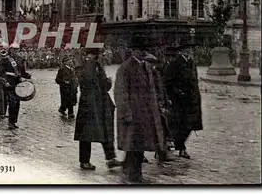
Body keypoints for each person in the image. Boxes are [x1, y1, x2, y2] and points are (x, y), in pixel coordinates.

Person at [115, 34, 164, 183]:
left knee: (139, 145)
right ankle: (135, 176)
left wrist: (157, 105)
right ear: (133, 51)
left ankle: (130, 171)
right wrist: (126, 113)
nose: (144, 53)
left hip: (146, 113)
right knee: (135, 145)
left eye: (145, 50)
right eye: (140, 50)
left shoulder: (147, 66)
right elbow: (120, 92)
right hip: (132, 113)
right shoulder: (125, 67)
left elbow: (152, 88)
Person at [74, 48, 122, 171]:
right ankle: (85, 161)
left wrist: (107, 82)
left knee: (103, 130)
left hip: (98, 103)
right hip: (91, 104)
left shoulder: (93, 65)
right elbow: (89, 83)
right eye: (100, 54)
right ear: (95, 55)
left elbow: (101, 85)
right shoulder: (89, 65)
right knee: (87, 133)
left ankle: (109, 159)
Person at [163, 37, 203, 159]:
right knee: (179, 124)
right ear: (181, 51)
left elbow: (194, 81)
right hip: (179, 100)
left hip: (192, 99)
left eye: (190, 49)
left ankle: (177, 144)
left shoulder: (192, 63)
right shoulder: (175, 63)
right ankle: (180, 147)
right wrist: (177, 92)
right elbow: (167, 82)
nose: (189, 51)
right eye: (186, 49)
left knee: (190, 124)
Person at [0, 42, 31, 130]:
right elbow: (0, 73)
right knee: (12, 102)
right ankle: (10, 123)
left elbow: (22, 72)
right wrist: (5, 81)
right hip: (9, 82)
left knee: (17, 104)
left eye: (17, 49)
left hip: (17, 83)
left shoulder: (20, 59)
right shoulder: (5, 59)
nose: (15, 51)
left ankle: (14, 121)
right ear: (10, 50)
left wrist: (27, 76)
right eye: (14, 49)